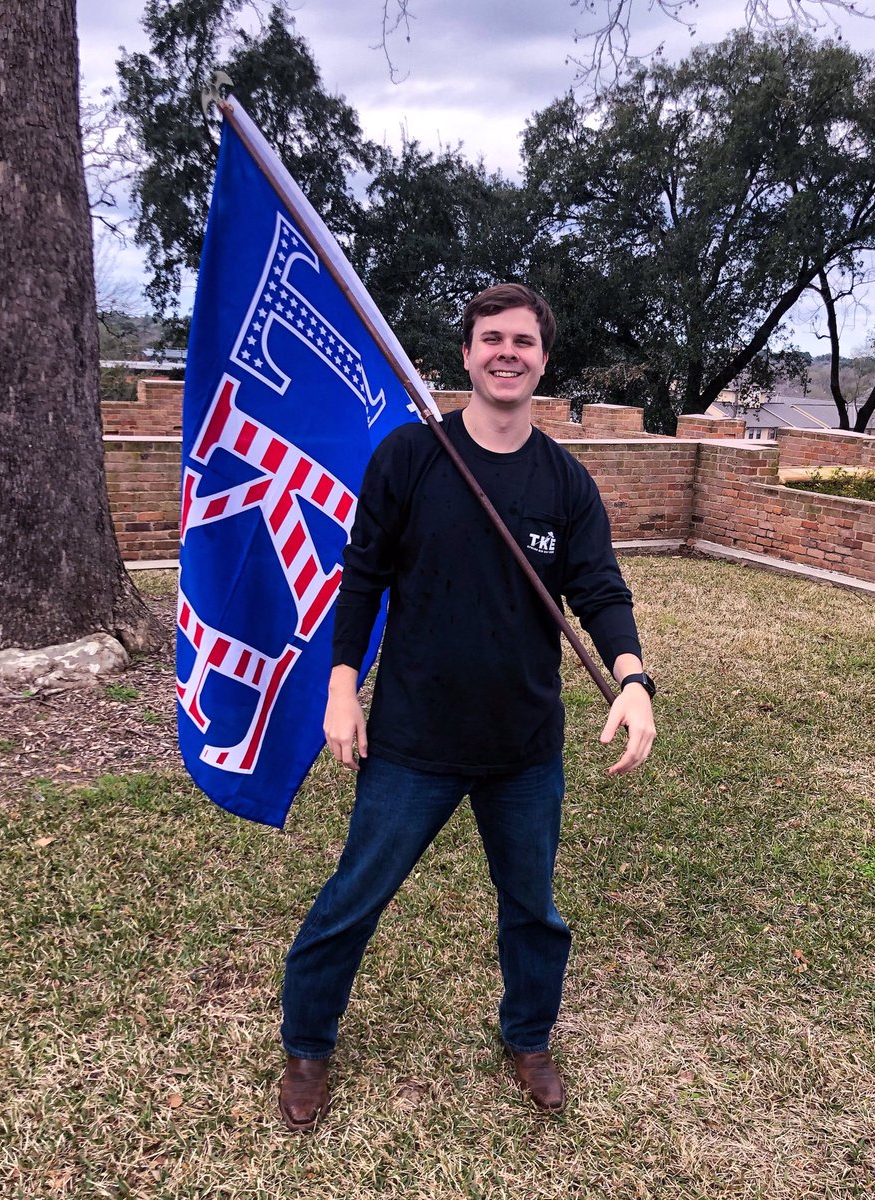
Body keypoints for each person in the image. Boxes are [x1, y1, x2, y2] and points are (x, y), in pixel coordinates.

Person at [278, 283, 656, 1131]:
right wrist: (342, 688)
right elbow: (362, 576)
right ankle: (307, 1044)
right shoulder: (411, 458)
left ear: (543, 360)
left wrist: (633, 679)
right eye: (493, 339)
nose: (508, 352)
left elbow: (599, 588)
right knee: (354, 896)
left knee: (533, 908)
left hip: (523, 746)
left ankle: (528, 1038)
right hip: (414, 738)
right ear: (468, 354)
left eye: (524, 340)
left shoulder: (565, 480)